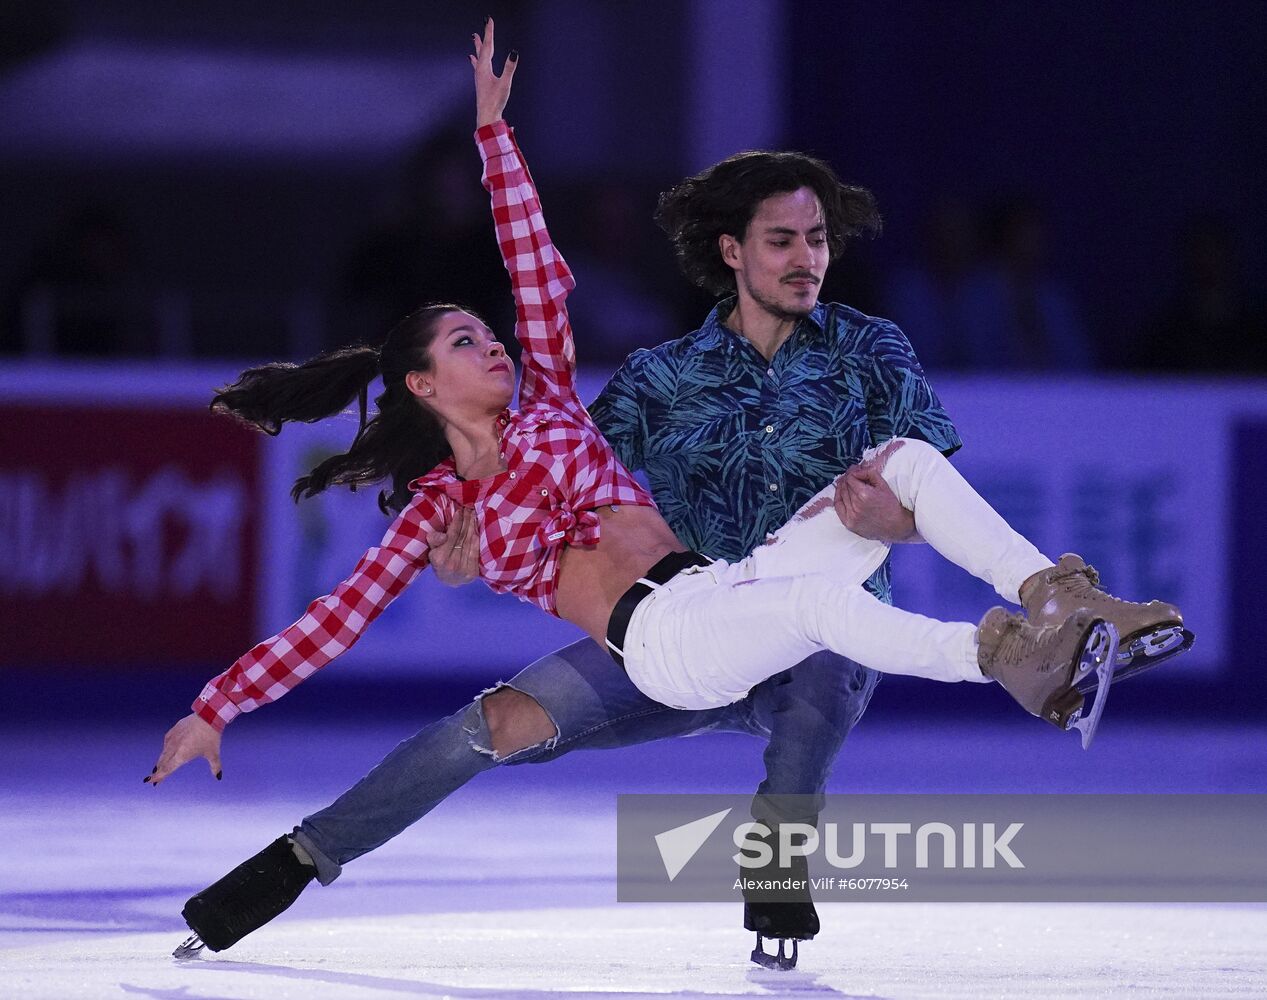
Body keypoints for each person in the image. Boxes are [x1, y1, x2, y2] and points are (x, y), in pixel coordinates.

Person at [150, 22, 1184, 968]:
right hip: (655, 642)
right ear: (422, 384)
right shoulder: (440, 512)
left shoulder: (554, 397)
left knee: (899, 466)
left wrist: (492, 139)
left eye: (488, 331)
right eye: (468, 341)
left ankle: (1056, 601)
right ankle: (1006, 662)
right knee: (494, 724)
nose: (496, 342)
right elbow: (335, 620)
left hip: (727, 584)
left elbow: (533, 266)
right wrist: (215, 704)